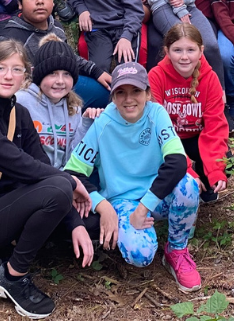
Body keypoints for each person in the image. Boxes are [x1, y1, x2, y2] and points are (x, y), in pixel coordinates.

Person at [0, 40, 94, 318]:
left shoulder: (18, 113)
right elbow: (19, 164)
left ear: (25, 76)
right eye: (0, 68)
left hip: (6, 205)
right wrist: (73, 183)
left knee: (77, 207)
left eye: (16, 69)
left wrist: (76, 224)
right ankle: (11, 276)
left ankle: (6, 254)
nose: (9, 76)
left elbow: (40, 164)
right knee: (59, 186)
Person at [64, 62, 203, 293]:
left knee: (188, 186)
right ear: (112, 97)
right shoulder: (103, 123)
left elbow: (177, 161)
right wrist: (102, 205)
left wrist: (143, 208)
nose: (129, 99)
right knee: (140, 255)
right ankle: (143, 233)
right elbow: (73, 172)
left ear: (147, 93)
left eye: (136, 91)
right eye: (121, 92)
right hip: (122, 200)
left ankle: (176, 250)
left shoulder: (156, 113)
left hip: (155, 196)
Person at [0, 0, 111, 109]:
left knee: (108, 93)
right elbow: (1, 85)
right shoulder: (8, 39)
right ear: (19, 3)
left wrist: (95, 71)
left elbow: (67, 57)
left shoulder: (55, 26)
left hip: (65, 83)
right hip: (32, 99)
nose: (39, 1)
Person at [149, 23, 229, 203]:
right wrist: (186, 169)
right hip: (166, 139)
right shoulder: (156, 77)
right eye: (177, 50)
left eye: (191, 50)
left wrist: (215, 169)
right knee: (174, 173)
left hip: (195, 136)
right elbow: (156, 129)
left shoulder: (210, 78)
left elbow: (215, 127)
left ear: (201, 51)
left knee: (227, 161)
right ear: (167, 51)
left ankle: (206, 186)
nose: (184, 57)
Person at [15, 35, 94, 169]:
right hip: (29, 176)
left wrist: (85, 125)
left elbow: (72, 156)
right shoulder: (21, 100)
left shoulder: (74, 108)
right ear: (40, 75)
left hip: (61, 178)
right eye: (52, 73)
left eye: (67, 74)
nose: (60, 81)